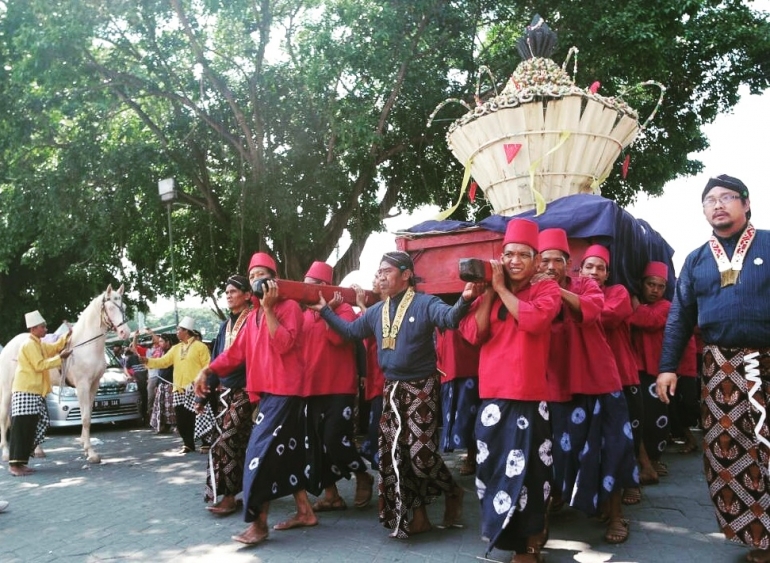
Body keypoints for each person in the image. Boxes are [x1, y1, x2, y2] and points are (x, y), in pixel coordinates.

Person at [310, 251, 484, 538]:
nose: (381, 276)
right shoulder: (377, 310)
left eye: (387, 271)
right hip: (390, 390)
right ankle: (418, 517)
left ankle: (452, 491)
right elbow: (351, 332)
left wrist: (464, 300)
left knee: (421, 455)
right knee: (395, 456)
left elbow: (450, 319)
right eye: (379, 272)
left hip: (421, 388)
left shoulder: (426, 303)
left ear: (406, 274)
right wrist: (324, 310)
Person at [656, 174, 770, 563]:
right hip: (720, 367)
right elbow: (679, 317)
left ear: (746, 203)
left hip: (768, 360)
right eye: (710, 200)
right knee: (730, 451)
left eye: (727, 197)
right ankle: (757, 537)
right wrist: (667, 366)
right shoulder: (696, 259)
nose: (718, 205)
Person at [194, 251, 316, 546]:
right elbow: (235, 354)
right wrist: (207, 369)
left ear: (273, 279)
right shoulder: (254, 317)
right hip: (268, 394)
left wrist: (271, 308)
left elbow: (285, 345)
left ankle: (258, 525)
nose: (256, 280)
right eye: (252, 276)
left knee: (257, 457)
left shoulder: (288, 309)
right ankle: (305, 511)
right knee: (283, 455)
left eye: (261, 274)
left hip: (287, 393)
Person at [457, 218, 561, 562]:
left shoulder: (545, 289)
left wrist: (501, 289)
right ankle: (505, 538)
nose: (514, 260)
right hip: (493, 398)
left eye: (522, 255)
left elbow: (533, 322)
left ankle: (530, 545)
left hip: (530, 398)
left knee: (532, 475)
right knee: (493, 471)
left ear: (534, 261)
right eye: (508, 254)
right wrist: (488, 294)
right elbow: (474, 335)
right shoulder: (489, 291)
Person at [538, 228, 637, 546]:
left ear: (570, 264)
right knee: (561, 451)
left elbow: (592, 311)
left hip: (599, 379)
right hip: (559, 384)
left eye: (558, 260)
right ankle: (560, 499)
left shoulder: (587, 286)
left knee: (612, 448)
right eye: (545, 260)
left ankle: (617, 514)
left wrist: (556, 292)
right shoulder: (533, 291)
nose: (551, 266)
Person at [300, 261, 374, 512]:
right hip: (311, 387)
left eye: (309, 287)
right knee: (316, 444)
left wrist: (326, 312)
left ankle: (362, 474)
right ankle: (332, 495)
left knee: (335, 439)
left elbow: (339, 338)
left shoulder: (344, 310)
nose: (305, 292)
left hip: (339, 386)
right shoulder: (304, 315)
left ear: (323, 287)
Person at [580, 244, 646, 506]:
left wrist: (577, 306)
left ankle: (631, 481)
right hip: (589, 374)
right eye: (589, 267)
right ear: (580, 270)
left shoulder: (618, 293)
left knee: (627, 432)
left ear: (608, 274)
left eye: (600, 268)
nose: (594, 272)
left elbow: (604, 317)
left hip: (621, 372)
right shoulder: (574, 293)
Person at [198, 274, 254, 516]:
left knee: (229, 440)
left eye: (233, 291)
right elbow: (216, 360)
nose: (229, 295)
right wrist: (203, 395)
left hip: (247, 390)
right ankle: (230, 494)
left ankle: (231, 497)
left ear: (247, 295)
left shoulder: (253, 319)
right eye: (227, 292)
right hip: (225, 393)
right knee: (224, 442)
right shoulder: (225, 326)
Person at [8, 310, 71, 476]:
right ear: (34, 328)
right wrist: (60, 358)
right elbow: (39, 365)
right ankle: (14, 465)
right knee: (21, 429)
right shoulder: (29, 345)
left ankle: (21, 463)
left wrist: (68, 336)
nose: (46, 329)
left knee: (31, 427)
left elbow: (54, 347)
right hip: (25, 391)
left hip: (34, 392)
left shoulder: (39, 344)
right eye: (43, 327)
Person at [143, 317, 210, 453]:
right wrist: (147, 360)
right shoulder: (175, 348)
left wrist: (200, 380)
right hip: (179, 388)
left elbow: (207, 365)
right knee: (181, 419)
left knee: (199, 416)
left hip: (195, 388)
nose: (177, 332)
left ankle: (206, 443)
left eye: (179, 329)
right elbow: (163, 362)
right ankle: (188, 444)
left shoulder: (200, 347)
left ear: (186, 331)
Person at [435, 328, 480, 476]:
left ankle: (472, 457)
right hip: (447, 366)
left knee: (469, 415)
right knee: (455, 414)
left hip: (468, 365)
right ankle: (470, 456)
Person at [149, 333, 177, 434]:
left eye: (161, 341)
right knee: (162, 408)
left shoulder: (173, 353)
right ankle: (164, 426)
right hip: (162, 383)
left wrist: (174, 384)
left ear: (168, 342)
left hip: (171, 384)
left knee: (172, 408)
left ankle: (175, 425)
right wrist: (157, 384)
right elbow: (160, 370)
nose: (159, 343)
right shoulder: (162, 353)